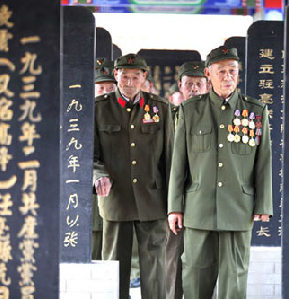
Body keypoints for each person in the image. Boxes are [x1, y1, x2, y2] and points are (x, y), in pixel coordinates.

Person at [167, 46, 273, 299]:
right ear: (208, 74)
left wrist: (263, 205)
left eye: (232, 71)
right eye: (221, 71)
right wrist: (174, 207)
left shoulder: (255, 111)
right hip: (197, 208)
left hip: (238, 207)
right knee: (194, 274)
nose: (228, 77)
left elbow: (264, 161)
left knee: (234, 277)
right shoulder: (190, 111)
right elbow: (179, 163)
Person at [94, 53, 173, 299]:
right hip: (116, 199)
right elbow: (91, 155)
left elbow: (170, 157)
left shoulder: (160, 108)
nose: (129, 82)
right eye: (124, 76)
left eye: (135, 77)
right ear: (115, 75)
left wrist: (174, 203)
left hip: (153, 199)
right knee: (114, 268)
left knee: (156, 269)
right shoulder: (99, 108)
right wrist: (98, 176)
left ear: (144, 78)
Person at [165, 61, 208, 299]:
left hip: (204, 199)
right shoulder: (167, 118)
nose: (193, 89)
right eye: (188, 84)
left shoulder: (216, 117)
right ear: (180, 86)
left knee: (204, 260)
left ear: (207, 85)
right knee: (173, 258)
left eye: (198, 84)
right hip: (174, 199)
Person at [92, 57, 117, 260]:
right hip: (91, 205)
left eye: (111, 88)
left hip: (120, 204)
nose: (106, 93)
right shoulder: (80, 116)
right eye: (101, 88)